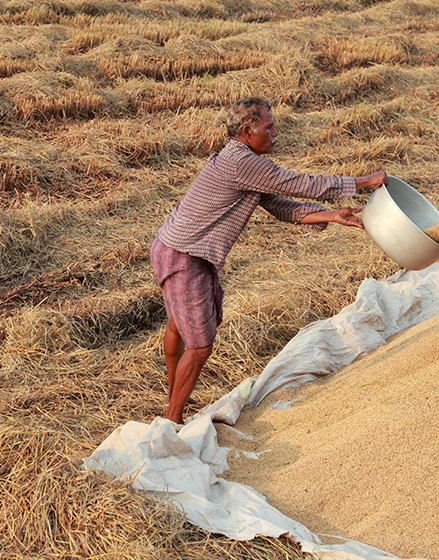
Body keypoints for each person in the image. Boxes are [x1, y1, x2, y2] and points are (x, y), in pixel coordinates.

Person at [150, 97, 387, 424]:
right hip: (185, 257)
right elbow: (302, 184)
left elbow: (280, 205)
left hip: (173, 247)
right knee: (201, 345)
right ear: (248, 131)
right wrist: (363, 182)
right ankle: (172, 420)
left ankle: (172, 399)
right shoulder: (243, 163)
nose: (276, 133)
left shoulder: (242, 161)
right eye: (269, 127)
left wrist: (332, 215)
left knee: (178, 322)